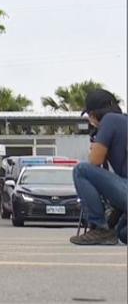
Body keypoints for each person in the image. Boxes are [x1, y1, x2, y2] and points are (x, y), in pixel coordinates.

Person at [70, 90, 127, 246]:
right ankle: (108, 231)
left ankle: (100, 229)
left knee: (81, 170)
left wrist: (97, 143)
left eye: (89, 115)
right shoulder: (123, 121)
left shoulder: (110, 120)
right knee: (122, 233)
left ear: (95, 113)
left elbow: (94, 161)